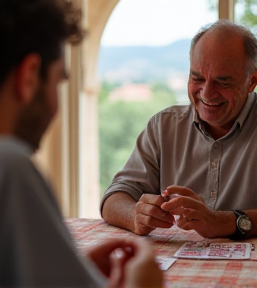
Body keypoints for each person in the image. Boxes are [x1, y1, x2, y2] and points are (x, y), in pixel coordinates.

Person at [0, 0, 163, 287]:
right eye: (57, 82)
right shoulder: (10, 166)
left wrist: (70, 271)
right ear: (28, 77)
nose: (55, 106)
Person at [101, 20, 257, 240]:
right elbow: (114, 197)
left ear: (252, 81)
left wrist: (225, 222)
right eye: (197, 78)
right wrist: (135, 215)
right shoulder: (164, 126)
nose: (207, 94)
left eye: (223, 82)